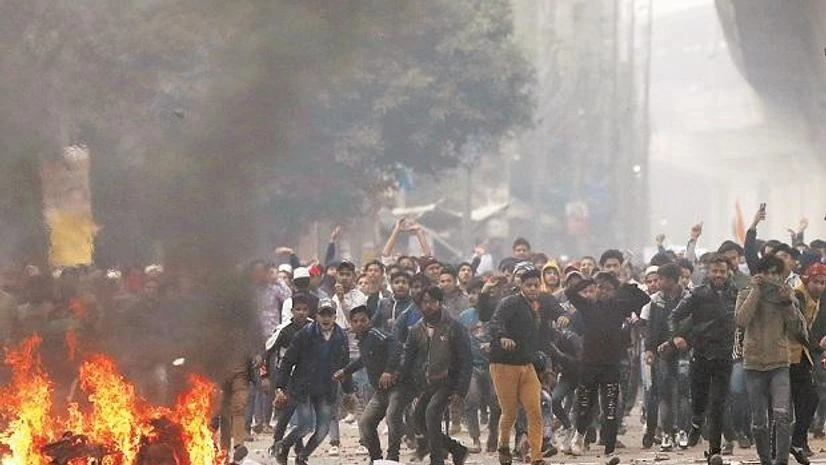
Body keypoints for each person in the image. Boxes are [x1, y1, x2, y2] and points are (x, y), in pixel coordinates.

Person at [565, 271, 650, 465]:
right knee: (585, 404)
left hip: (611, 364)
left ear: (614, 291)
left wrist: (623, 286)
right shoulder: (587, 306)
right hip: (589, 363)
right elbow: (569, 292)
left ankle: (609, 448)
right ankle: (579, 435)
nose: (602, 292)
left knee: (610, 406)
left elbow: (644, 298)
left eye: (607, 288)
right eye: (599, 288)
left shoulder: (620, 307)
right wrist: (587, 281)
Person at [735, 256, 807, 465]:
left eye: (777, 273)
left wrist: (787, 303)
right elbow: (741, 320)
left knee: (782, 415)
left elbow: (796, 329)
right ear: (759, 274)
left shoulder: (786, 295)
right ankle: (765, 459)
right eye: (768, 272)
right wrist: (756, 292)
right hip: (754, 363)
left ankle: (781, 460)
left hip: (779, 363)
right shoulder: (745, 293)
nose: (772, 277)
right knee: (759, 420)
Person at [669, 254, 738, 464]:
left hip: (725, 356)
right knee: (698, 399)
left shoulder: (736, 294)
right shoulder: (696, 294)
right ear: (707, 272)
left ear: (728, 273)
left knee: (718, 403)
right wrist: (677, 336)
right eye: (715, 271)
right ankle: (696, 422)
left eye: (722, 272)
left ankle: (714, 450)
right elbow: (674, 316)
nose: (718, 275)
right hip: (700, 354)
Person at [489, 267, 559, 465]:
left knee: (535, 409)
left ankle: (536, 456)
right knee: (510, 412)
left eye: (536, 285)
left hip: (526, 364)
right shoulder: (510, 302)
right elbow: (495, 322)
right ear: (520, 286)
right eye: (529, 285)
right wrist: (502, 337)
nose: (533, 289)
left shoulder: (539, 305)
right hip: (504, 364)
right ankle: (503, 446)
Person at [273, 300, 356, 465]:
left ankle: (302, 457)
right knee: (305, 425)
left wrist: (348, 390)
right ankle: (284, 446)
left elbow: (344, 366)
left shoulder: (340, 337)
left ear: (334, 316)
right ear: (317, 316)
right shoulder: (305, 334)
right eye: (322, 314)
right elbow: (288, 360)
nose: (326, 318)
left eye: (329, 314)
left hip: (326, 388)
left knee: (323, 429)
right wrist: (280, 386)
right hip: (304, 387)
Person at [401, 286, 472, 465]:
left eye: (433, 301)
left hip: (448, 381)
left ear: (440, 302)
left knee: (432, 414)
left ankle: (437, 459)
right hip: (427, 383)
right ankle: (457, 449)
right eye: (425, 302)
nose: (429, 306)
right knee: (418, 418)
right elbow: (407, 359)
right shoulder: (416, 329)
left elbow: (466, 361)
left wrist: (460, 391)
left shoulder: (453, 327)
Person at [334, 305, 399, 463]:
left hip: (396, 387)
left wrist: (389, 370)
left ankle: (393, 457)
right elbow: (364, 359)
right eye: (355, 321)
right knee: (365, 422)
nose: (359, 323)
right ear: (351, 323)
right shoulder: (363, 340)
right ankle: (376, 458)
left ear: (369, 321)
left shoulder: (375, 334)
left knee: (393, 418)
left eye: (363, 320)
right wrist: (346, 371)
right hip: (381, 390)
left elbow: (395, 346)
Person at [640, 263, 690, 451]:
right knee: (664, 394)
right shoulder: (655, 301)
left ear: (673, 280)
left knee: (684, 393)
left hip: (684, 350)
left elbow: (689, 324)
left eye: (661, 279)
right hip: (662, 353)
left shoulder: (688, 298)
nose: (658, 282)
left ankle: (683, 431)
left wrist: (680, 340)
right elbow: (652, 328)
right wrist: (649, 349)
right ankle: (667, 433)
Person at [266, 293, 313, 463]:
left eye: (305, 309)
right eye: (298, 309)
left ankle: (297, 451)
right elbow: (267, 351)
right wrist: (265, 377)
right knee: (286, 414)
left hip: (306, 378)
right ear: (292, 311)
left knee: (303, 419)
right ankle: (279, 446)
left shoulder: (313, 327)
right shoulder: (283, 330)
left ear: (309, 311)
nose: (301, 313)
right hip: (286, 377)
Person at [789, 262, 826, 463]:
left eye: (822, 283)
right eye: (816, 282)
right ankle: (794, 441)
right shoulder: (799, 296)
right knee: (804, 398)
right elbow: (799, 328)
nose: (819, 286)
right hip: (789, 355)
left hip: (802, 355)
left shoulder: (814, 298)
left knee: (808, 398)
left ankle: (798, 440)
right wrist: (818, 346)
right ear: (807, 280)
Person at [458, 278, 496, 453]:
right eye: (471, 293)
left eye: (477, 293)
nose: (474, 296)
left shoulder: (494, 313)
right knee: (471, 400)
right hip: (471, 366)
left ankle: (493, 433)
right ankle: (475, 439)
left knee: (495, 402)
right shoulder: (464, 317)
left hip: (493, 365)